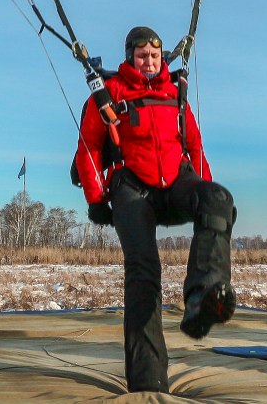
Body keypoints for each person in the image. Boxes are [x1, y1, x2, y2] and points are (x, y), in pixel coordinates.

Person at [74, 26, 236, 393]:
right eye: (142, 55)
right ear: (130, 57)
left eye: (155, 55)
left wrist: (202, 187)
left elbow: (194, 146)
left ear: (163, 57)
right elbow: (89, 148)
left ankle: (203, 297)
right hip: (131, 187)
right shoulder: (111, 92)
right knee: (144, 273)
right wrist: (96, 199)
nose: (149, 61)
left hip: (176, 181)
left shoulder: (175, 92)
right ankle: (148, 383)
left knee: (219, 200)